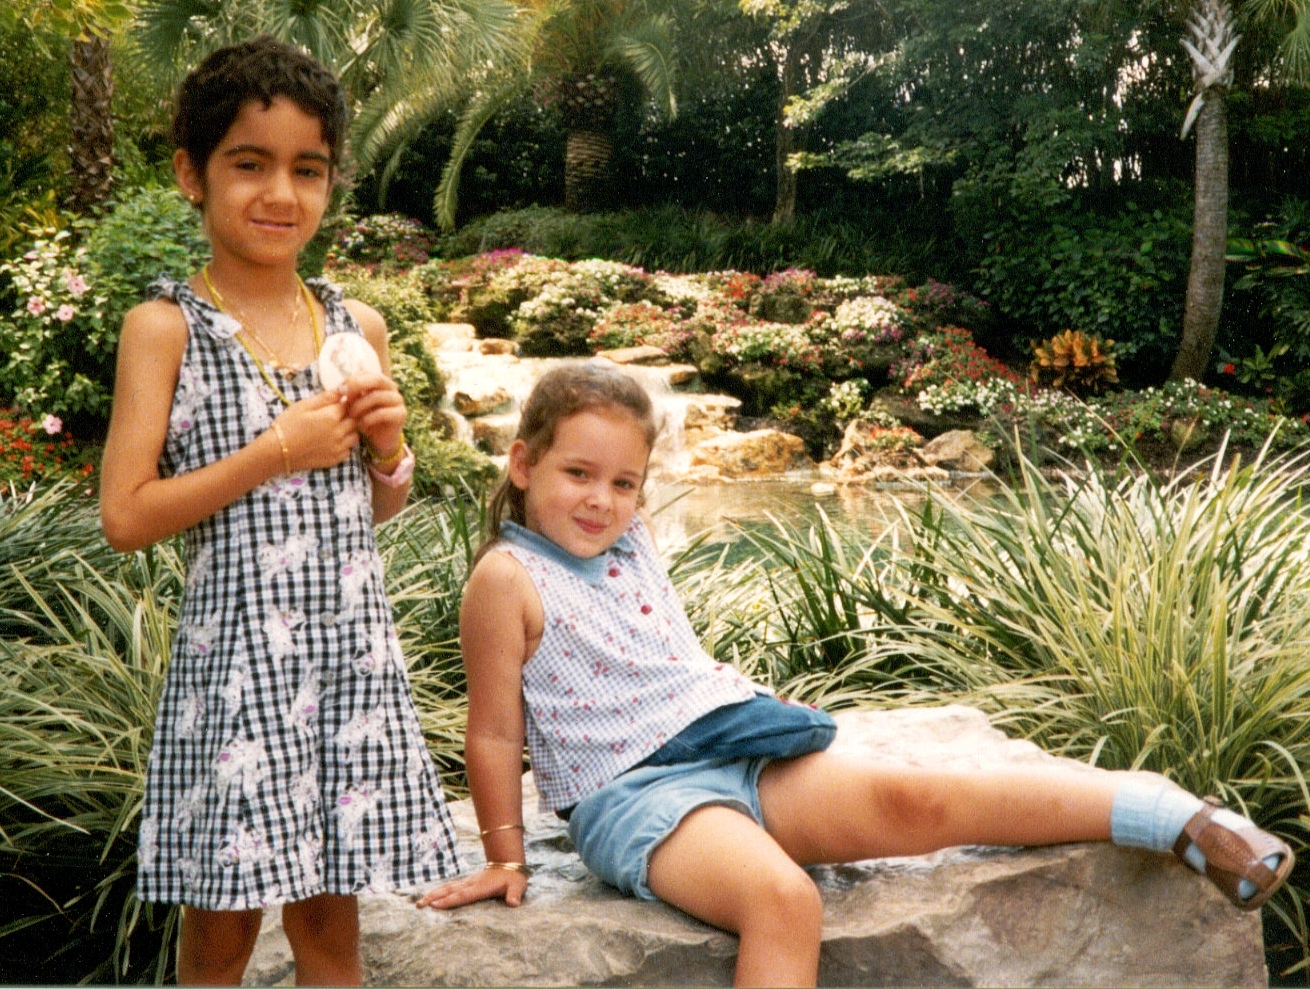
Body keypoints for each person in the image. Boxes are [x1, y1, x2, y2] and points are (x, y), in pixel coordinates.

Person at [418, 361, 1294, 987]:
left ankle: (1169, 812)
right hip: (637, 795)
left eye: (623, 482)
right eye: (577, 473)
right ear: (524, 464)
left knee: (920, 801)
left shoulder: (629, 535)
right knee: (785, 901)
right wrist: (505, 855)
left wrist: (740, 703)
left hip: (733, 745)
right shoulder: (507, 578)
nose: (600, 500)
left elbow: (655, 653)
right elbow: (494, 730)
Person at [99, 36, 459, 986]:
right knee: (219, 932)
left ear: (333, 183)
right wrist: (271, 455)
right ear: (192, 174)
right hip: (235, 673)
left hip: (346, 663)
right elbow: (126, 516)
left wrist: (390, 451)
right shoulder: (166, 328)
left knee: (330, 928)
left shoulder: (356, 327)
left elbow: (374, 512)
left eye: (308, 170)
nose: (280, 194)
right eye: (248, 165)